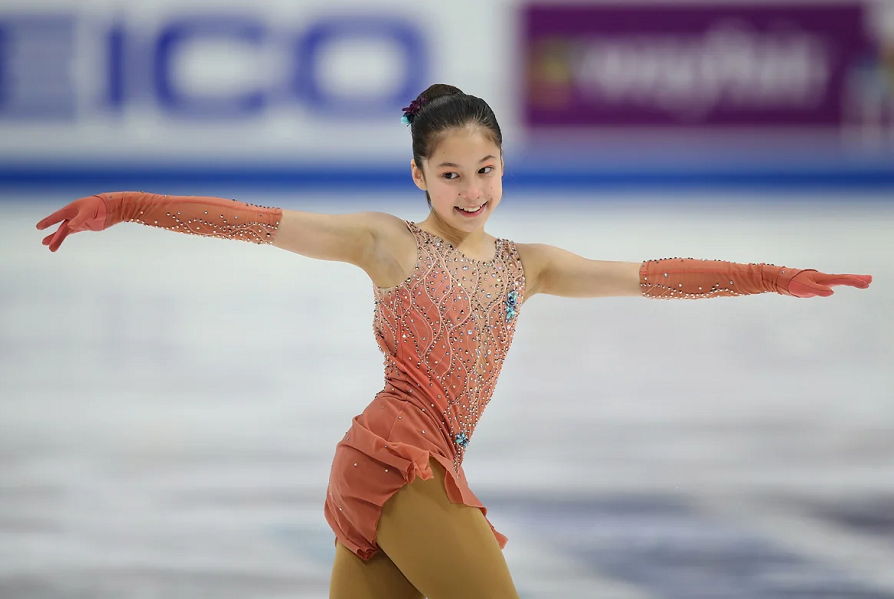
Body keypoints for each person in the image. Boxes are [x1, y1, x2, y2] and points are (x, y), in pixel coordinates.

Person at [36, 83, 872, 599]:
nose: (472, 190)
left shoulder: (527, 265)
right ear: (418, 176)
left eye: (486, 169)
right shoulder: (387, 243)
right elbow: (254, 222)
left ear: (503, 165)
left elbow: (647, 276)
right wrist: (126, 205)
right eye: (450, 174)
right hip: (401, 463)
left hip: (390, 467)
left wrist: (768, 275)